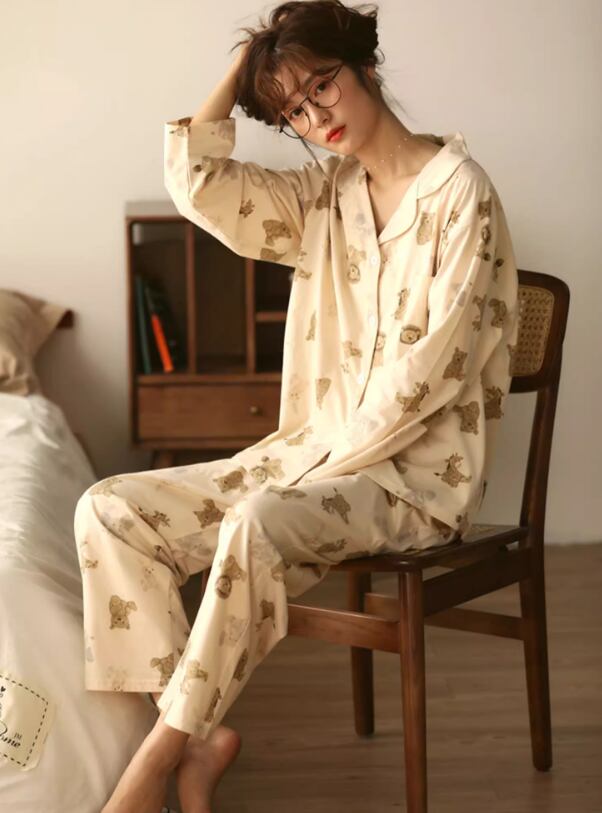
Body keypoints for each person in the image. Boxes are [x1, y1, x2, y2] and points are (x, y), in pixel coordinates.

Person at [73, 1, 519, 811]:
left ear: (365, 66)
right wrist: (253, 61)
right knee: (110, 510)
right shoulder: (323, 198)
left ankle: (153, 762)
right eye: (294, 111)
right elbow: (198, 182)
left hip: (412, 482)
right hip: (308, 462)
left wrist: (302, 471)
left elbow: (431, 371)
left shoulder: (462, 195)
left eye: (323, 85)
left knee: (256, 518)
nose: (316, 116)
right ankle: (200, 741)